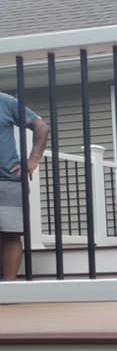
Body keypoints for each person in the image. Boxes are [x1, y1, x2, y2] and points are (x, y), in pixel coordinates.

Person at [0, 92, 49, 280]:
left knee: (10, 235)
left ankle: (9, 290)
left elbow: (41, 127)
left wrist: (33, 159)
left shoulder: (5, 102)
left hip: (7, 179)